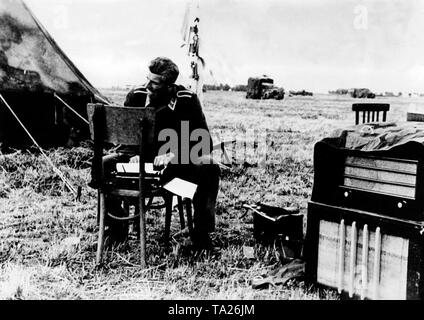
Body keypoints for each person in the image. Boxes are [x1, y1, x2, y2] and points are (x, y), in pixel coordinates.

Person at [91, 57, 220, 249]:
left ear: (170, 85)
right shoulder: (136, 96)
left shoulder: (187, 100)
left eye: (155, 83)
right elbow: (126, 136)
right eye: (147, 79)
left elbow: (204, 142)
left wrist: (174, 155)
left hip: (175, 163)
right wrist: (133, 152)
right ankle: (116, 229)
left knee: (209, 166)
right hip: (137, 160)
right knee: (102, 165)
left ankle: (201, 235)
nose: (147, 85)